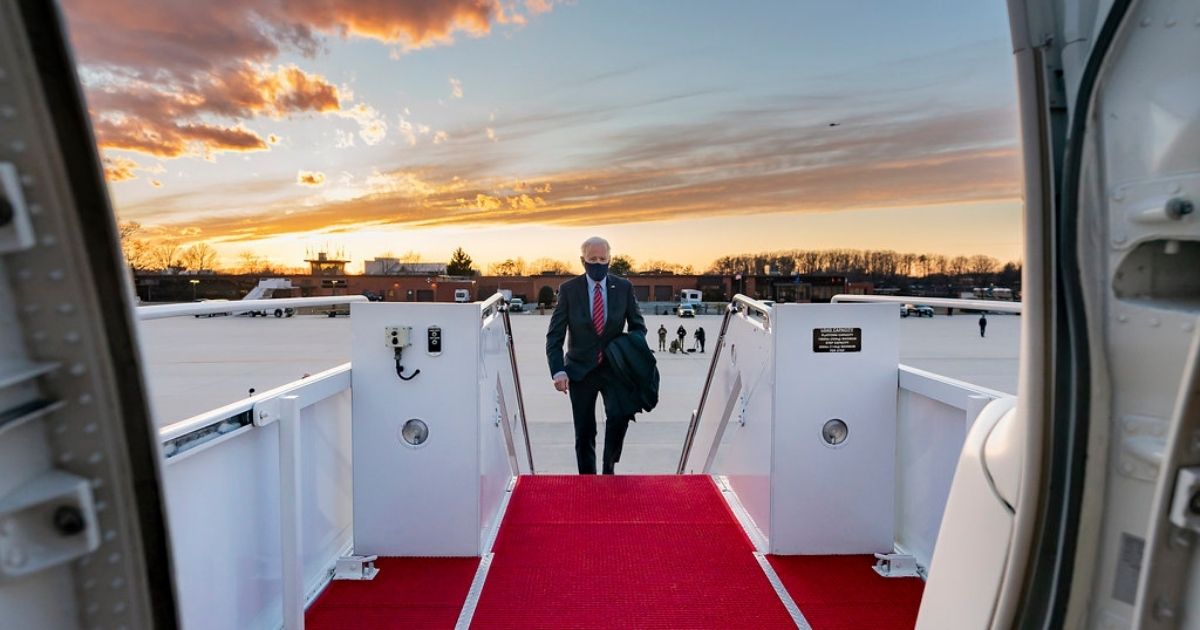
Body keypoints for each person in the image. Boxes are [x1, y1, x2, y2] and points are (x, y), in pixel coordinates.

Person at [546, 237, 648, 475]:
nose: (598, 263)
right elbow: (555, 336)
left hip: (614, 369)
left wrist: (628, 351)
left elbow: (638, 326)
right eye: (593, 259)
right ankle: (587, 480)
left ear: (609, 260)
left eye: (603, 259)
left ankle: (608, 470)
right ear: (583, 261)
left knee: (618, 418)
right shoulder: (569, 290)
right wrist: (558, 370)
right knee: (584, 431)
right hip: (580, 371)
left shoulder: (624, 288)